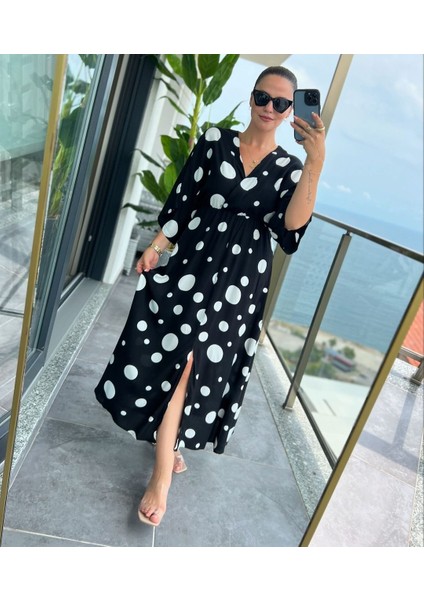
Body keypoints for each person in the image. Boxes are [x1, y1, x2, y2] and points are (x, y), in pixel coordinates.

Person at [94, 65, 326, 527]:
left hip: (241, 283)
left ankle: (163, 469)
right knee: (174, 355)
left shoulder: (289, 168)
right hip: (192, 267)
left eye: (282, 103)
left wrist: (315, 162)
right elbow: (184, 198)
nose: (270, 107)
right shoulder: (216, 141)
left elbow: (291, 229)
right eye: (263, 97)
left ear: (290, 113)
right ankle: (167, 452)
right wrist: (158, 245)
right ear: (252, 96)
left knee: (194, 365)